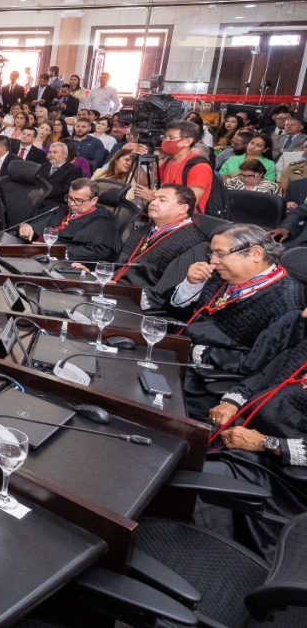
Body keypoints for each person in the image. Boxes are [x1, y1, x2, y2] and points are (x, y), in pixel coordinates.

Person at [204, 335, 307, 559]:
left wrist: (265, 443)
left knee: (195, 479)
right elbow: (260, 379)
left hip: (282, 478)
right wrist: (232, 402)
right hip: (238, 439)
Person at [170, 224, 302, 378]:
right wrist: (191, 285)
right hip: (177, 350)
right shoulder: (221, 274)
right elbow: (179, 315)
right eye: (211, 253)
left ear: (256, 253)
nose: (213, 261)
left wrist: (194, 351)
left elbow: (263, 365)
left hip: (207, 376)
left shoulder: (287, 303)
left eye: (220, 254)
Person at [103, 185, 204, 303]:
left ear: (182, 208)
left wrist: (122, 290)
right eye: (154, 198)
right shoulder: (144, 229)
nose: (153, 203)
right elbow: (120, 264)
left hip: (138, 304)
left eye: (162, 200)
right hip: (114, 290)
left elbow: (169, 293)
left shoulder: (193, 242)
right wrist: (95, 275)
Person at [18, 178, 120, 262]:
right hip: (37, 254)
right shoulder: (64, 210)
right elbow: (40, 226)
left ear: (93, 200)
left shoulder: (102, 221)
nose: (71, 204)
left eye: (79, 201)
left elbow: (100, 252)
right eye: (70, 198)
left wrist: (58, 250)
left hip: (63, 262)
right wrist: (28, 227)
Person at [39, 142, 83, 207]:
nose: (51, 155)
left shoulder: (74, 170)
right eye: (50, 152)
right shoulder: (42, 166)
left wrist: (40, 192)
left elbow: (64, 189)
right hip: (36, 200)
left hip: (56, 203)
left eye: (55, 152)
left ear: (65, 155)